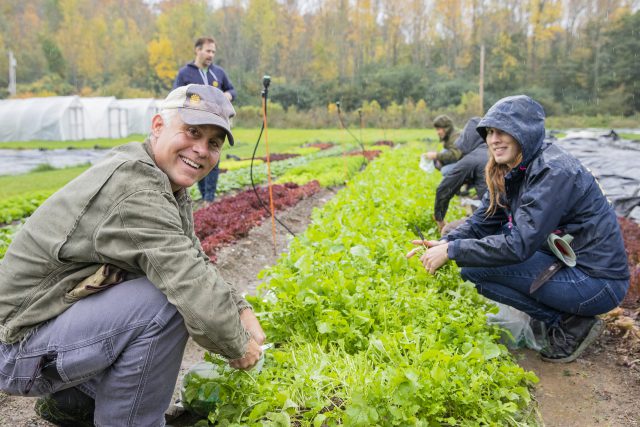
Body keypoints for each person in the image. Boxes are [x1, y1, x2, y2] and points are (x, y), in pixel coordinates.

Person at [0, 84, 265, 426]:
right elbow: (188, 283)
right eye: (192, 132)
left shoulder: (159, 177)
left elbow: (191, 256)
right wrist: (238, 345)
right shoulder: (137, 190)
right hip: (15, 346)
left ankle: (74, 403)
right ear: (158, 126)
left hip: (43, 325)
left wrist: (240, 308)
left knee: (158, 287)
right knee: (167, 302)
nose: (200, 150)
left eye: (213, 143)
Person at [408, 95, 629, 363]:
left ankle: (569, 323)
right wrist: (447, 242)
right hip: (568, 264)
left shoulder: (553, 171)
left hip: (598, 282)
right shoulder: (513, 169)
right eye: (490, 132)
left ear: (525, 132)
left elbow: (519, 244)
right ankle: (560, 315)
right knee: (472, 265)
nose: (493, 139)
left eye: (502, 131)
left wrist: (454, 250)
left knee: (478, 268)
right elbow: (484, 221)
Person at [174, 36, 237, 206]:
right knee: (197, 157)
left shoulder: (218, 73)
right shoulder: (185, 73)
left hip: (216, 124)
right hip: (194, 125)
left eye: (213, 52)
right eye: (208, 51)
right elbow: (177, 96)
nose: (211, 55)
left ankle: (209, 198)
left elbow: (232, 89)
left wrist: (228, 95)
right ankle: (203, 195)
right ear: (198, 50)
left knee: (212, 160)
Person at [433, 116, 488, 233]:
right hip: (513, 216)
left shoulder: (472, 159)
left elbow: (443, 189)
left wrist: (439, 218)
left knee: (448, 231)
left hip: (495, 220)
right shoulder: (499, 153)